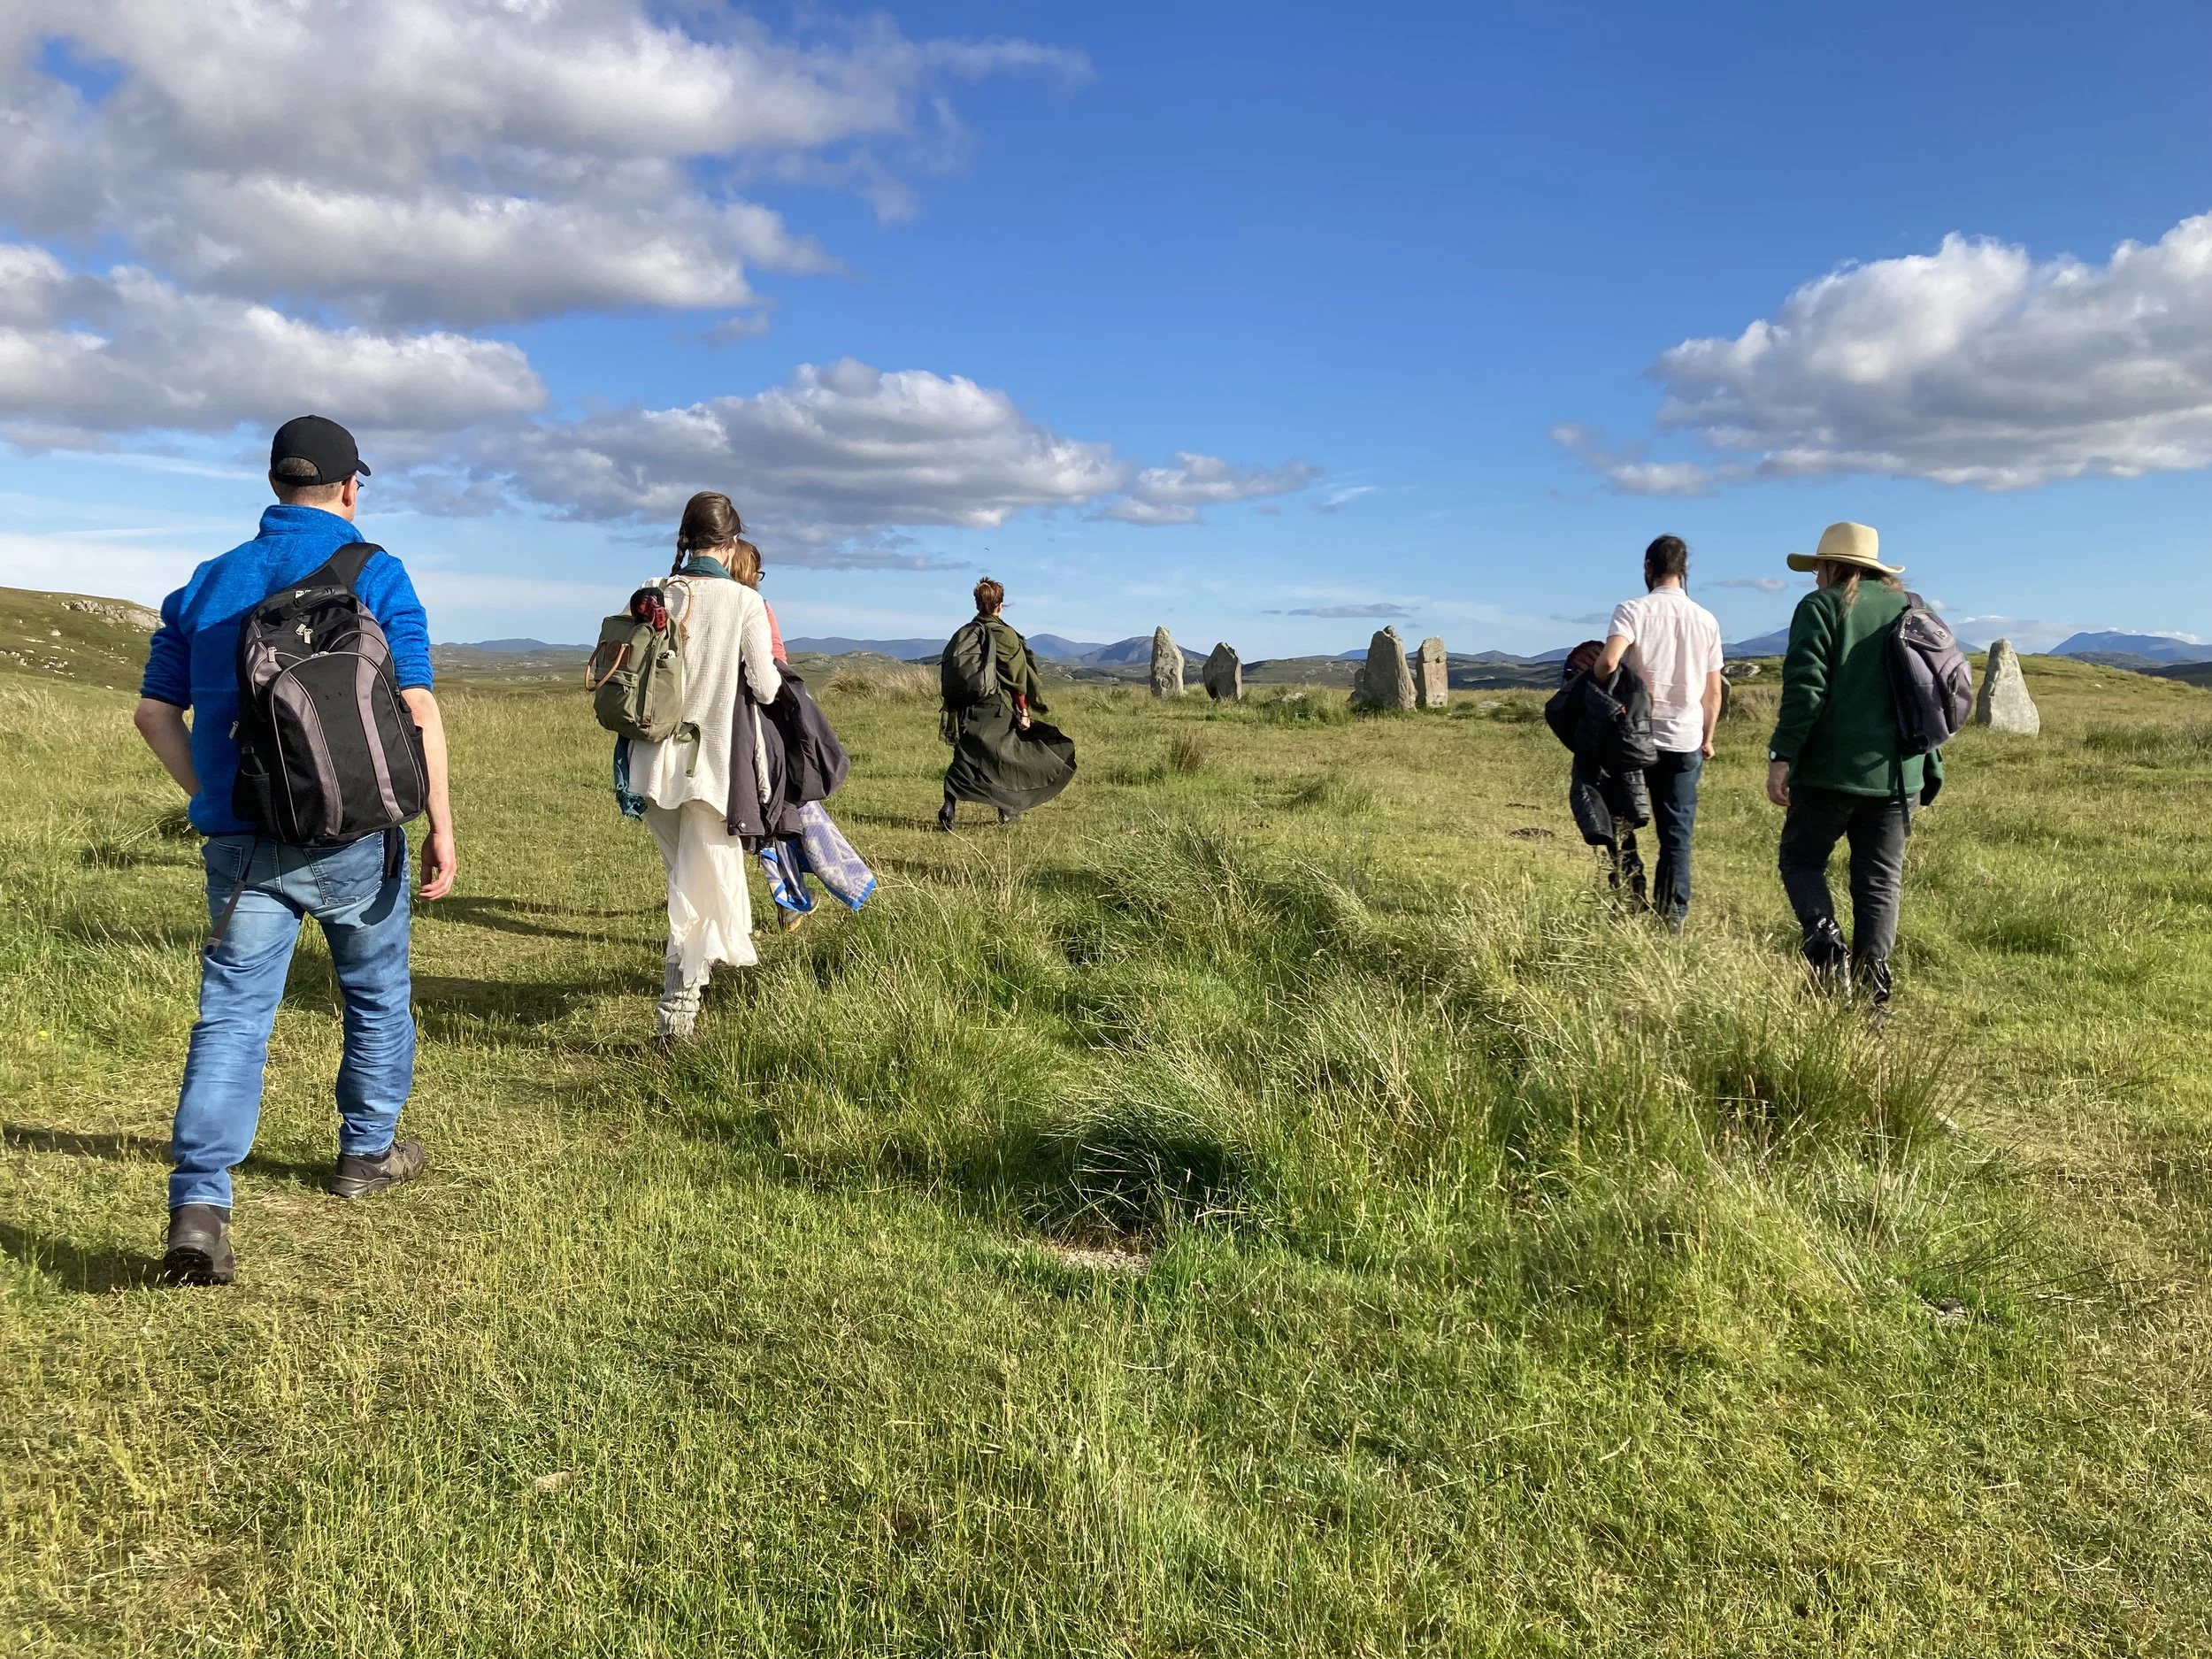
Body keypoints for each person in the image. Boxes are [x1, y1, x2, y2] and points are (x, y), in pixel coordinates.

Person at [134, 416, 457, 1287]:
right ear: (351, 487)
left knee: (233, 1017)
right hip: (358, 834)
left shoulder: (208, 582)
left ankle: (200, 1206)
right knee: (375, 995)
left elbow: (154, 713)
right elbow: (418, 708)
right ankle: (366, 1153)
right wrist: (441, 826)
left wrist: (213, 795)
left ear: (276, 483)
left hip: (243, 844)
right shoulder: (376, 572)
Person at [1765, 521, 1944, 1015]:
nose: (1814, 577)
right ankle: (1873, 1002)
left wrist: (1782, 756)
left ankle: (1828, 954)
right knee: (1880, 883)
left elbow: (1806, 690)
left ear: (1830, 566)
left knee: (1801, 861)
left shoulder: (1821, 607)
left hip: (1830, 771)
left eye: (1817, 567)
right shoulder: (1913, 608)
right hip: (1900, 774)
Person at [625, 492, 783, 1040]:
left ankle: (685, 1000)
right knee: (696, 895)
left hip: (650, 766)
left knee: (687, 886)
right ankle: (675, 1024)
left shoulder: (656, 591)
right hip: (710, 769)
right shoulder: (744, 602)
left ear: (687, 539)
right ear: (731, 544)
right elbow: (766, 686)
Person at [1596, 534, 1723, 931]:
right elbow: (1713, 692)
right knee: (1676, 834)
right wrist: (1708, 738)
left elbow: (1608, 662)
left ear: (1648, 568)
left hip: (1634, 737)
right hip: (1684, 738)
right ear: (1684, 571)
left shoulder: (1632, 610)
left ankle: (1629, 897)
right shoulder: (1706, 619)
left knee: (1621, 820)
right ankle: (1672, 919)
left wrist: (1597, 679)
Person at [937, 580, 1076, 831]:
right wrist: (1024, 711)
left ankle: (949, 805)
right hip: (991, 703)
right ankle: (1009, 810)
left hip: (963, 706)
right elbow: (1017, 679)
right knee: (1007, 754)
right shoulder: (1004, 634)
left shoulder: (964, 633)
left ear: (978, 604)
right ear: (1000, 605)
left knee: (966, 754)